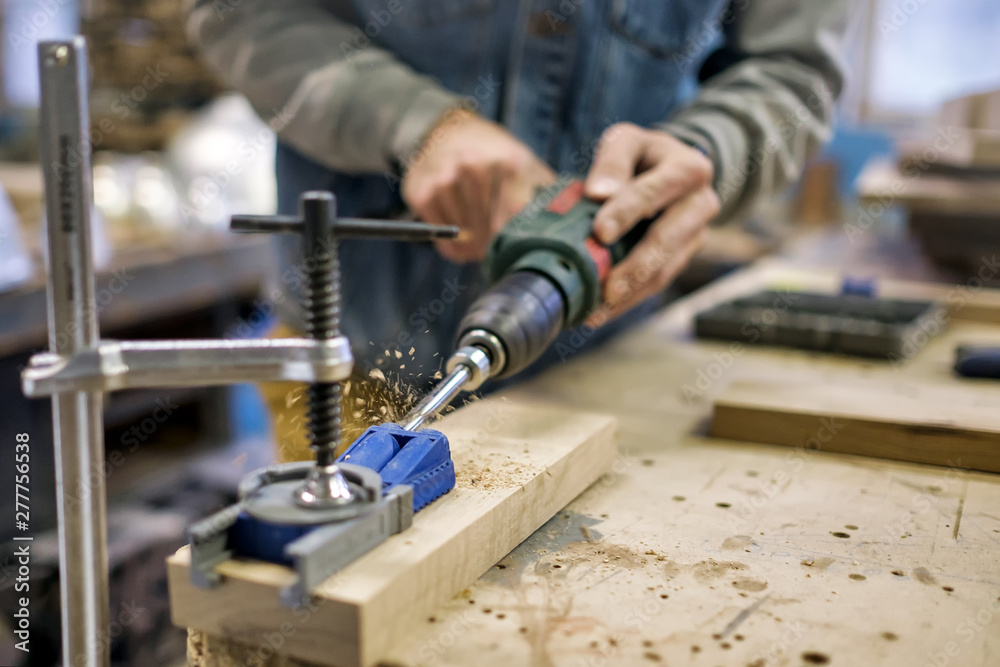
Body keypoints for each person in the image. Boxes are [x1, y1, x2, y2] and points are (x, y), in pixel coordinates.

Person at [186, 0, 850, 459]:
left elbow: (790, 69)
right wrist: (411, 120)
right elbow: (237, 11)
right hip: (352, 365)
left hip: (602, 375)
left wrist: (713, 149)